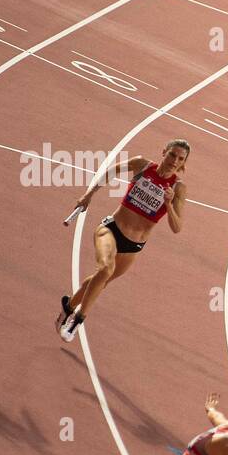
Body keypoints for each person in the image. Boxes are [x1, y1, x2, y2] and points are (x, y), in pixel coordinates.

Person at [58, 140, 189, 342]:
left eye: (180, 159)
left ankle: (68, 306)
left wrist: (169, 204)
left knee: (101, 280)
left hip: (134, 246)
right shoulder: (142, 165)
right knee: (105, 270)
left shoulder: (178, 188)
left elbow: (177, 227)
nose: (174, 161)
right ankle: (77, 320)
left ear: (183, 164)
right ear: (164, 152)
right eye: (172, 155)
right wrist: (88, 195)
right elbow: (110, 171)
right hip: (111, 229)